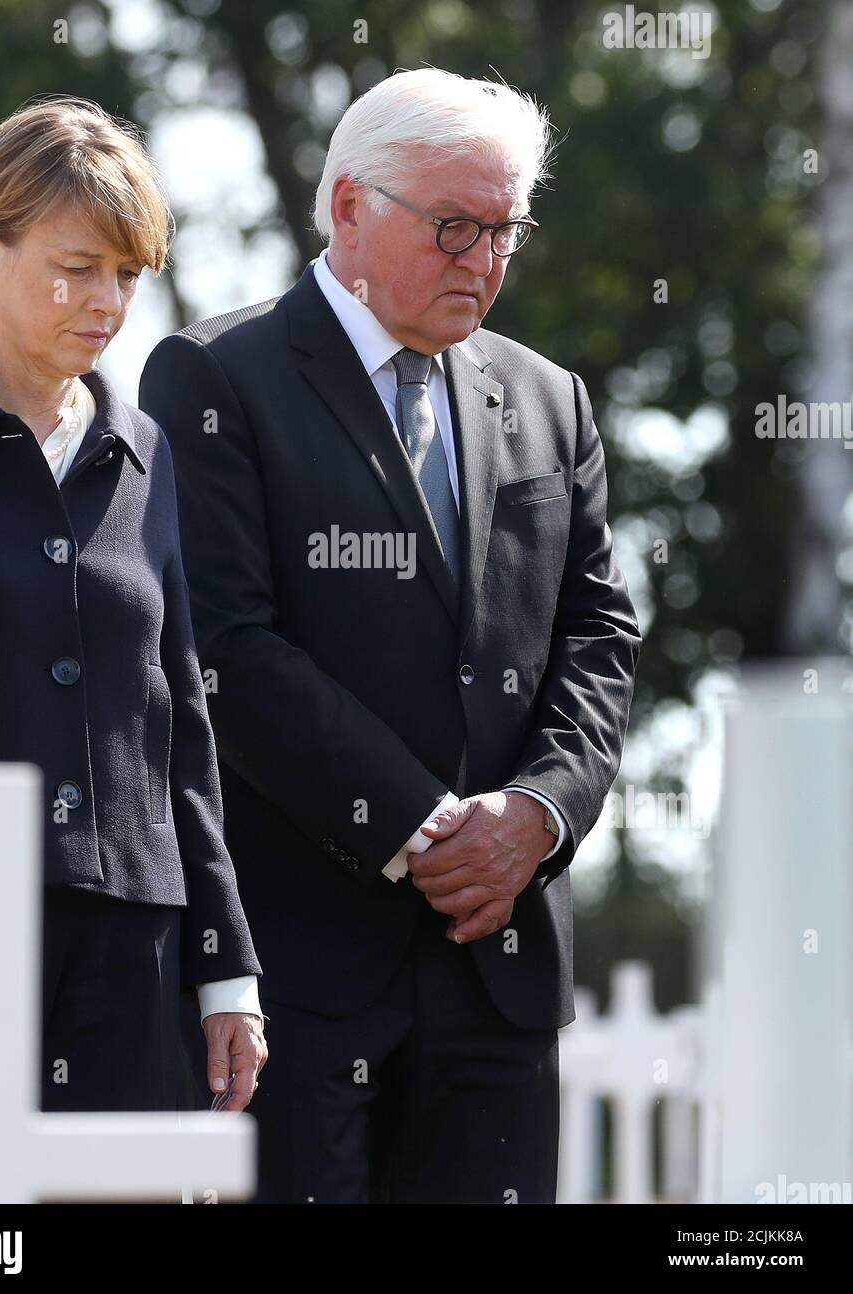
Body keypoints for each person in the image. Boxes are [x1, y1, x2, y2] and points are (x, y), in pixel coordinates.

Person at [139, 67, 641, 1203]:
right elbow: (226, 646)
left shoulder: (549, 396)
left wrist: (536, 815)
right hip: (300, 975)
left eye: (505, 229)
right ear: (350, 207)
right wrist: (426, 831)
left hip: (499, 967)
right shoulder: (215, 376)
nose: (485, 258)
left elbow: (596, 632)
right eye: (455, 224)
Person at [0, 97, 267, 1117]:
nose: (107, 300)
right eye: (77, 265)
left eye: (127, 274)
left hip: (130, 955)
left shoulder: (145, 454)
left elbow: (179, 722)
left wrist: (224, 964)